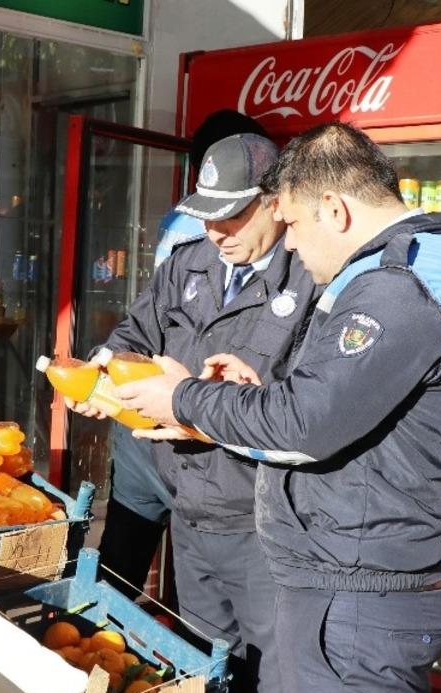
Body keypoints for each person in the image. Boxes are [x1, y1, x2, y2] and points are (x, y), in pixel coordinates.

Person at [116, 122, 441, 693]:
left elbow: (305, 426)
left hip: (357, 592)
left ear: (336, 211)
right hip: (340, 583)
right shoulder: (392, 275)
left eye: (290, 224)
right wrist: (254, 395)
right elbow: (330, 411)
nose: (289, 243)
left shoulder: (396, 289)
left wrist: (186, 398)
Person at [74, 132, 320, 693]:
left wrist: (217, 398)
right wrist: (106, 371)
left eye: (233, 214)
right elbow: (133, 336)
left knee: (270, 675)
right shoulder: (187, 265)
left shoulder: (312, 277)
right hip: (193, 506)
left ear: (276, 203)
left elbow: (311, 406)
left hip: (268, 518)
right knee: (206, 663)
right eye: (208, 213)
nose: (217, 230)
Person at [98, 109, 268, 598]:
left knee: (120, 578)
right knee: (185, 597)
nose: (219, 230)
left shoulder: (180, 221)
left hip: (170, 441)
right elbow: (145, 327)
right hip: (173, 436)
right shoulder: (206, 240)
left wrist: (110, 365)